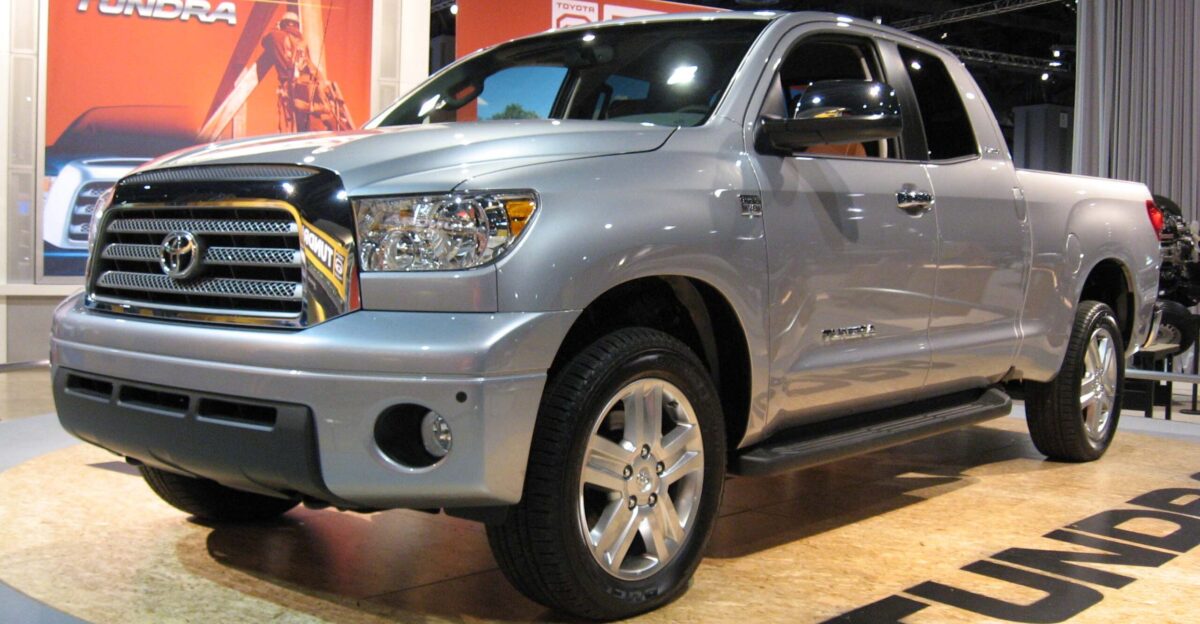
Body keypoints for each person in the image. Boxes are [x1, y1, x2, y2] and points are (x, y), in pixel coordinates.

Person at [262, 12, 352, 132]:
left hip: (291, 90)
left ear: (283, 24)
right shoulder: (302, 42)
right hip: (308, 89)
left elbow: (264, 41)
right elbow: (311, 67)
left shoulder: (276, 37)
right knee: (314, 121)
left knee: (295, 128)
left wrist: (276, 27)